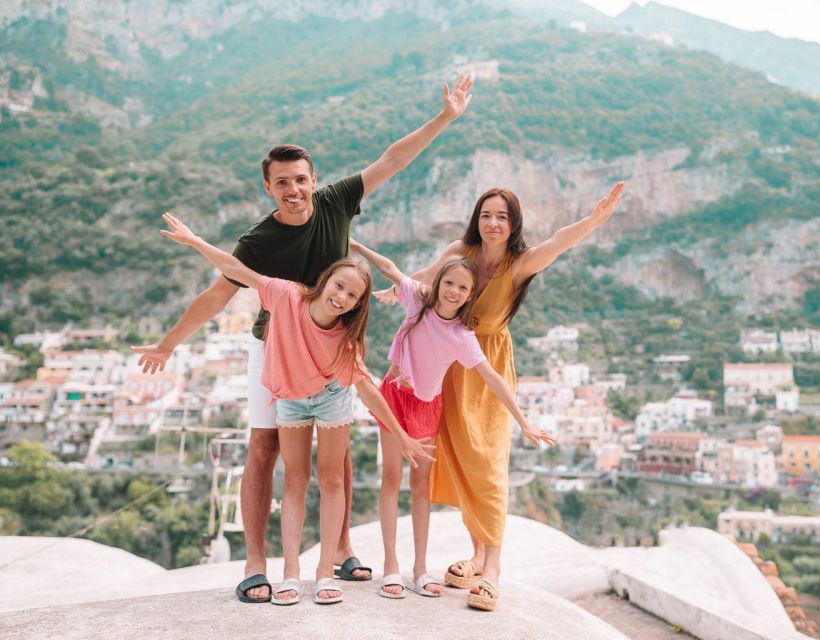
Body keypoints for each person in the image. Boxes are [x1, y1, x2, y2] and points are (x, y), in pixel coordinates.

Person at [131, 75, 474, 603]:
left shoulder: (337, 202)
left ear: (313, 179)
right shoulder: (260, 240)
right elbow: (216, 295)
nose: (293, 190)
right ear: (268, 188)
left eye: (300, 179)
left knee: (339, 456)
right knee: (265, 446)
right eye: (282, 183)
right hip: (276, 349)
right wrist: (169, 343)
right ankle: (255, 563)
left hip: (335, 352)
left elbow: (392, 159)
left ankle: (338, 551)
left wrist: (446, 117)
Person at [159, 213, 434, 605]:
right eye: (339, 286)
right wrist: (196, 241)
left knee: (332, 480)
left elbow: (369, 391)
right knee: (295, 481)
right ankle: (291, 572)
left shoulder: (344, 341)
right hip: (290, 398)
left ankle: (325, 573)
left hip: (332, 398)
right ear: (325, 281)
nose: (342, 297)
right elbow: (238, 270)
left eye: (352, 296)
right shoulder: (287, 296)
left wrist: (402, 435)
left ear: (358, 304)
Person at [387, 182, 624, 611]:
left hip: (488, 363)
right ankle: (476, 554)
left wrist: (593, 221)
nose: (493, 223)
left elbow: (557, 243)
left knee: (489, 463)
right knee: (460, 458)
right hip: (448, 365)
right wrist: (399, 290)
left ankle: (492, 569)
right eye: (486, 215)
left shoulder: (520, 263)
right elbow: (431, 277)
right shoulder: (464, 250)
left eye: (502, 216)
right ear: (477, 219)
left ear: (513, 223)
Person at [348, 240, 554, 600]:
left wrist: (523, 422)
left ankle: (420, 569)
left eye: (463, 287)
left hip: (427, 408)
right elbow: (389, 267)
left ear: (471, 294)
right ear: (438, 282)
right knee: (391, 479)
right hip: (394, 398)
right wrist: (353, 243)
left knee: (421, 487)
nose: (454, 291)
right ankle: (392, 567)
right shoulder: (416, 301)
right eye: (450, 283)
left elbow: (494, 378)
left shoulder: (462, 337)